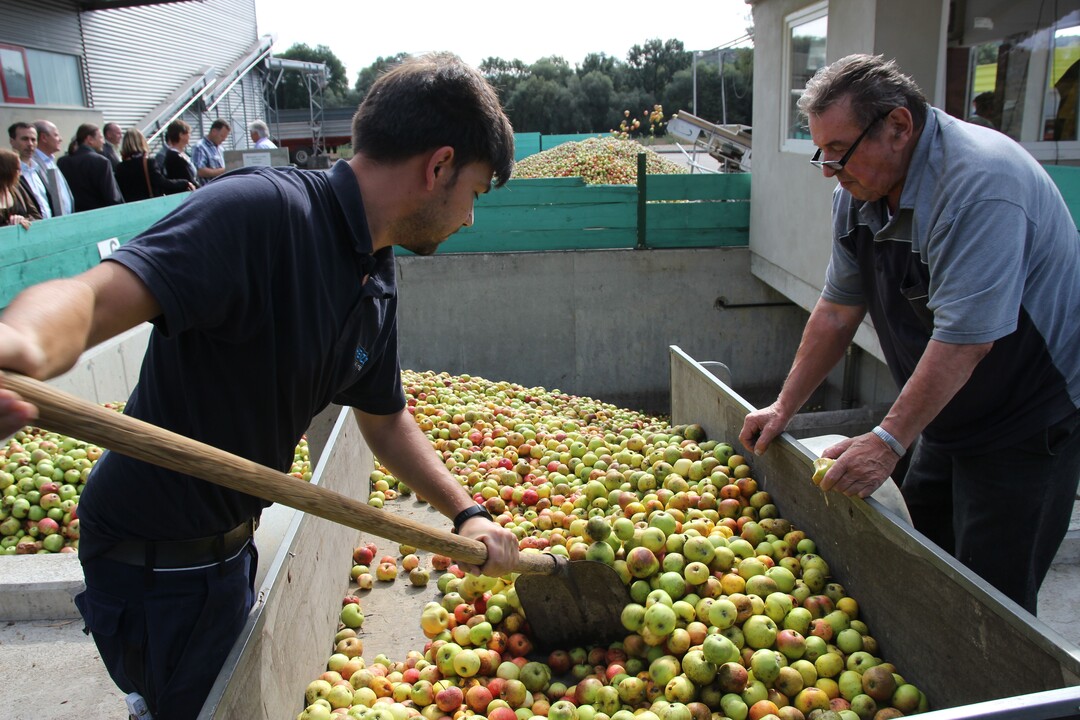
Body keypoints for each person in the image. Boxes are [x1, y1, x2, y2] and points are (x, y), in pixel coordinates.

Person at [0, 52, 517, 720]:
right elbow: (94, 300)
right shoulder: (260, 214)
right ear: (438, 166)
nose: (469, 218)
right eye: (475, 192)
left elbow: (384, 419)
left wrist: (465, 511)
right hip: (156, 559)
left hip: (231, 542)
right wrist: (21, 346)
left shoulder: (376, 275)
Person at [739, 54, 1080, 616]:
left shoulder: (979, 187)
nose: (828, 169)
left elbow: (966, 340)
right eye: (820, 152)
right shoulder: (858, 194)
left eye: (839, 151)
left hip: (1027, 420)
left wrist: (887, 442)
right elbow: (836, 311)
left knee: (993, 605)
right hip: (946, 409)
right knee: (928, 562)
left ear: (898, 126)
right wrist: (784, 406)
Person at [56, 123, 124, 212]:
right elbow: (112, 197)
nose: (103, 142)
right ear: (90, 139)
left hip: (73, 216)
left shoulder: (62, 162)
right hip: (100, 216)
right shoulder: (101, 161)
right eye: (100, 137)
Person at [114, 128, 195, 202]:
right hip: (150, 204)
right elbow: (162, 183)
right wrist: (184, 182)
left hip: (129, 208)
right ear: (142, 142)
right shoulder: (148, 163)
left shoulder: (119, 167)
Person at [8, 122, 51, 219]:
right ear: (12, 141)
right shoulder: (8, 173)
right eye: (25, 139)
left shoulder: (40, 169)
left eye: (33, 140)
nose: (30, 144)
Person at [32, 119, 74, 216]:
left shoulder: (51, 161)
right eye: (56, 135)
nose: (60, 139)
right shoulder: (32, 165)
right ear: (44, 137)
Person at [0, 148, 43, 228]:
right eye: (17, 170)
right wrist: (8, 226)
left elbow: (37, 217)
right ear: (6, 171)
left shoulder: (18, 188)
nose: (20, 174)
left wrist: (24, 220)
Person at [158, 119, 198, 186]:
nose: (189, 136)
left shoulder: (183, 154)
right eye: (188, 133)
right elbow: (186, 178)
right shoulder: (174, 156)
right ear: (181, 135)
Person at [190, 119, 230, 186]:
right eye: (222, 136)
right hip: (207, 189)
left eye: (225, 137)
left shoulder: (220, 148)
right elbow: (199, 171)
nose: (224, 139)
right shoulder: (200, 147)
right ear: (214, 131)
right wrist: (224, 171)